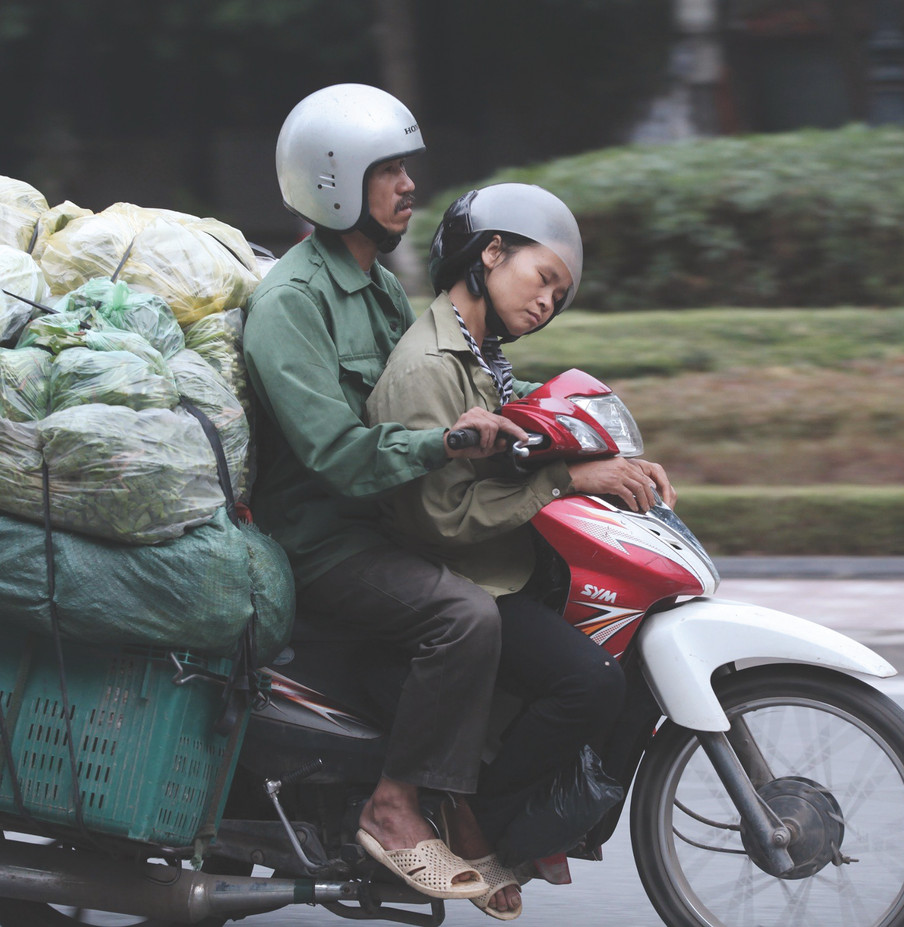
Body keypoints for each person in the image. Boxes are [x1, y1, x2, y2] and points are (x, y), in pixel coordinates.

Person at [242, 84, 531, 909]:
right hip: (322, 539)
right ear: (334, 180)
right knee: (462, 616)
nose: (410, 185)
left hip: (381, 518)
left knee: (519, 579)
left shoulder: (371, 285)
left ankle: (459, 796)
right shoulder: (292, 303)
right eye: (389, 169)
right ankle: (398, 805)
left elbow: (426, 384)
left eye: (407, 167)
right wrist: (448, 442)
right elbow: (336, 452)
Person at [365, 183, 677, 914]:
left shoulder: (482, 356)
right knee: (590, 683)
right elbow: (437, 520)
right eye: (543, 281)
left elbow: (528, 430)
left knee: (617, 656)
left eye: (559, 297)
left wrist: (606, 453)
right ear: (492, 251)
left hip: (502, 564)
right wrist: (570, 477)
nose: (547, 304)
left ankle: (527, 817)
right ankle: (476, 815)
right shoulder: (429, 367)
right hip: (457, 576)